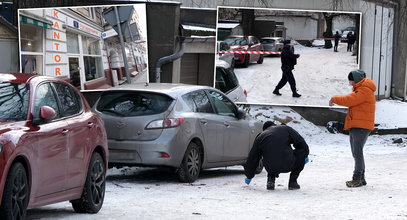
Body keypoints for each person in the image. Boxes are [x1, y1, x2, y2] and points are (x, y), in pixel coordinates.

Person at [329, 69, 376, 187]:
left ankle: (357, 178)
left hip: (361, 126)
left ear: (355, 80)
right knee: (357, 153)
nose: (350, 82)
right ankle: (361, 178)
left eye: (351, 80)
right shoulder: (361, 89)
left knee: (357, 153)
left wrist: (334, 99)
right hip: (358, 125)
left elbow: (349, 100)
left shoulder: (364, 90)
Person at [244, 121, 310, 190]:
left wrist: (249, 175)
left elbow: (253, 158)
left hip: (270, 167)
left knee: (271, 155)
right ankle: (293, 182)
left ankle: (270, 180)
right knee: (302, 151)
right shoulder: (285, 129)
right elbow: (301, 143)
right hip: (288, 164)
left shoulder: (260, 136)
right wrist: (305, 155)